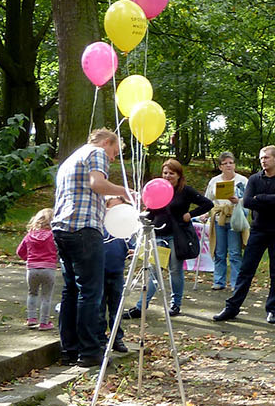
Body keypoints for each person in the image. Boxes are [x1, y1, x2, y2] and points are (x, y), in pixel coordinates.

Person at [52, 129, 131, 368]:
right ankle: (89, 352)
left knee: (71, 290)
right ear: (107, 142)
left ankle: (69, 349)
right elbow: (97, 183)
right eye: (114, 152)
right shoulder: (96, 152)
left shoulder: (70, 159)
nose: (113, 159)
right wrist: (125, 192)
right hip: (84, 228)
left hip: (62, 228)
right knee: (90, 292)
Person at [213, 145, 275, 324]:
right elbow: (248, 202)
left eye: (266, 157)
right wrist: (271, 200)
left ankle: (273, 309)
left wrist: (261, 198)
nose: (263, 161)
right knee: (246, 270)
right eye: (261, 158)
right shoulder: (255, 179)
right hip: (258, 229)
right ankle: (232, 307)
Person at [127, 159, 212, 318]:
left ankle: (175, 304)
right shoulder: (158, 189)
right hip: (158, 235)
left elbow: (207, 204)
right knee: (153, 271)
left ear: (179, 175)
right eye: (165, 173)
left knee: (175, 270)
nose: (167, 176)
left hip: (176, 236)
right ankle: (141, 306)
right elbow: (152, 211)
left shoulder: (185, 191)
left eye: (171, 173)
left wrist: (190, 215)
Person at [205, 152, 247, 290]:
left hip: (235, 219)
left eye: (231, 162)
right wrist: (205, 214)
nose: (228, 165)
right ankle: (219, 281)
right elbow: (208, 200)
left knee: (235, 253)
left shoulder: (242, 181)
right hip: (219, 219)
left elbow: (248, 200)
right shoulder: (214, 181)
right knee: (219, 252)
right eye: (225, 163)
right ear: (220, 167)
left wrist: (238, 201)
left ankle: (236, 283)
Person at [16, 208, 58, 330]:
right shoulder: (53, 236)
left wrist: (29, 259)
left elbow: (19, 251)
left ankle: (31, 319)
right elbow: (60, 250)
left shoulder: (29, 235)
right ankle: (44, 322)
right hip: (49, 269)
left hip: (32, 269)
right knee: (46, 296)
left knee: (32, 293)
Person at [102, 198, 130, 353]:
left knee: (116, 307)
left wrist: (132, 251)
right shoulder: (99, 226)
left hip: (117, 272)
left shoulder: (124, 229)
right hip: (99, 272)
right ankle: (100, 338)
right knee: (99, 307)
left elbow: (131, 246)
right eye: (114, 207)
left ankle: (116, 338)